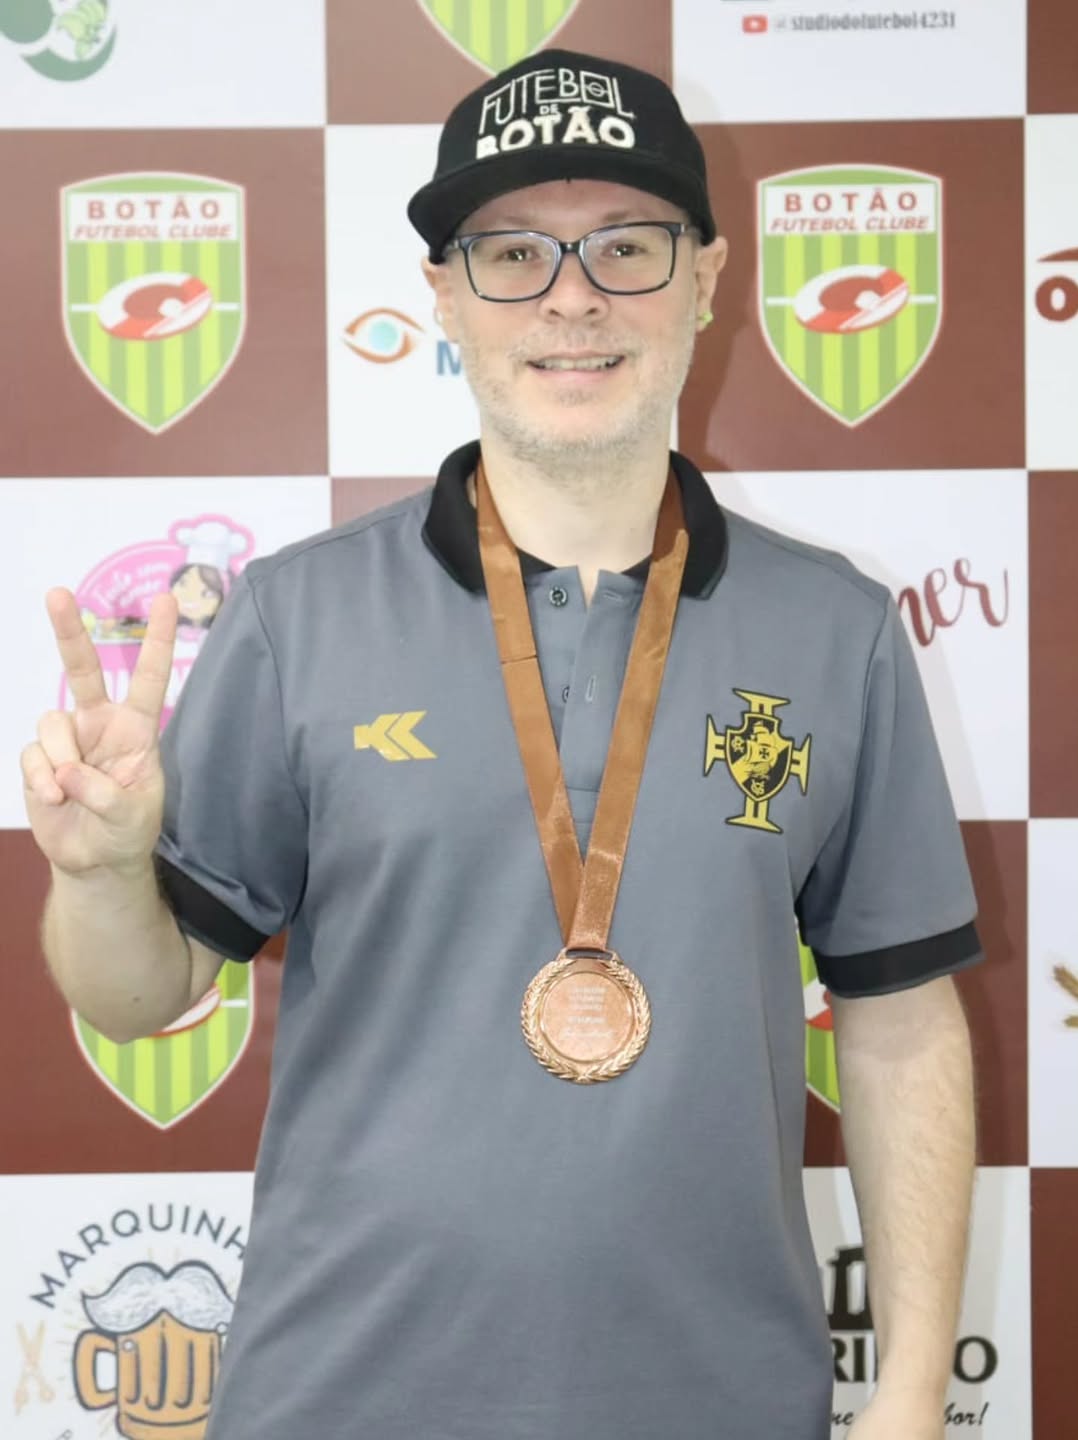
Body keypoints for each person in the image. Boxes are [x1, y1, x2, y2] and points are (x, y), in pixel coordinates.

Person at [23, 49, 980, 1440]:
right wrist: (103, 873)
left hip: (717, 1403)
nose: (573, 298)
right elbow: (136, 999)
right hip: (342, 1404)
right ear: (445, 298)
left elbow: (898, 1022)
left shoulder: (839, 630)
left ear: (708, 281)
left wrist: (912, 1391)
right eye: (513, 253)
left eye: (627, 247)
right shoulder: (295, 616)